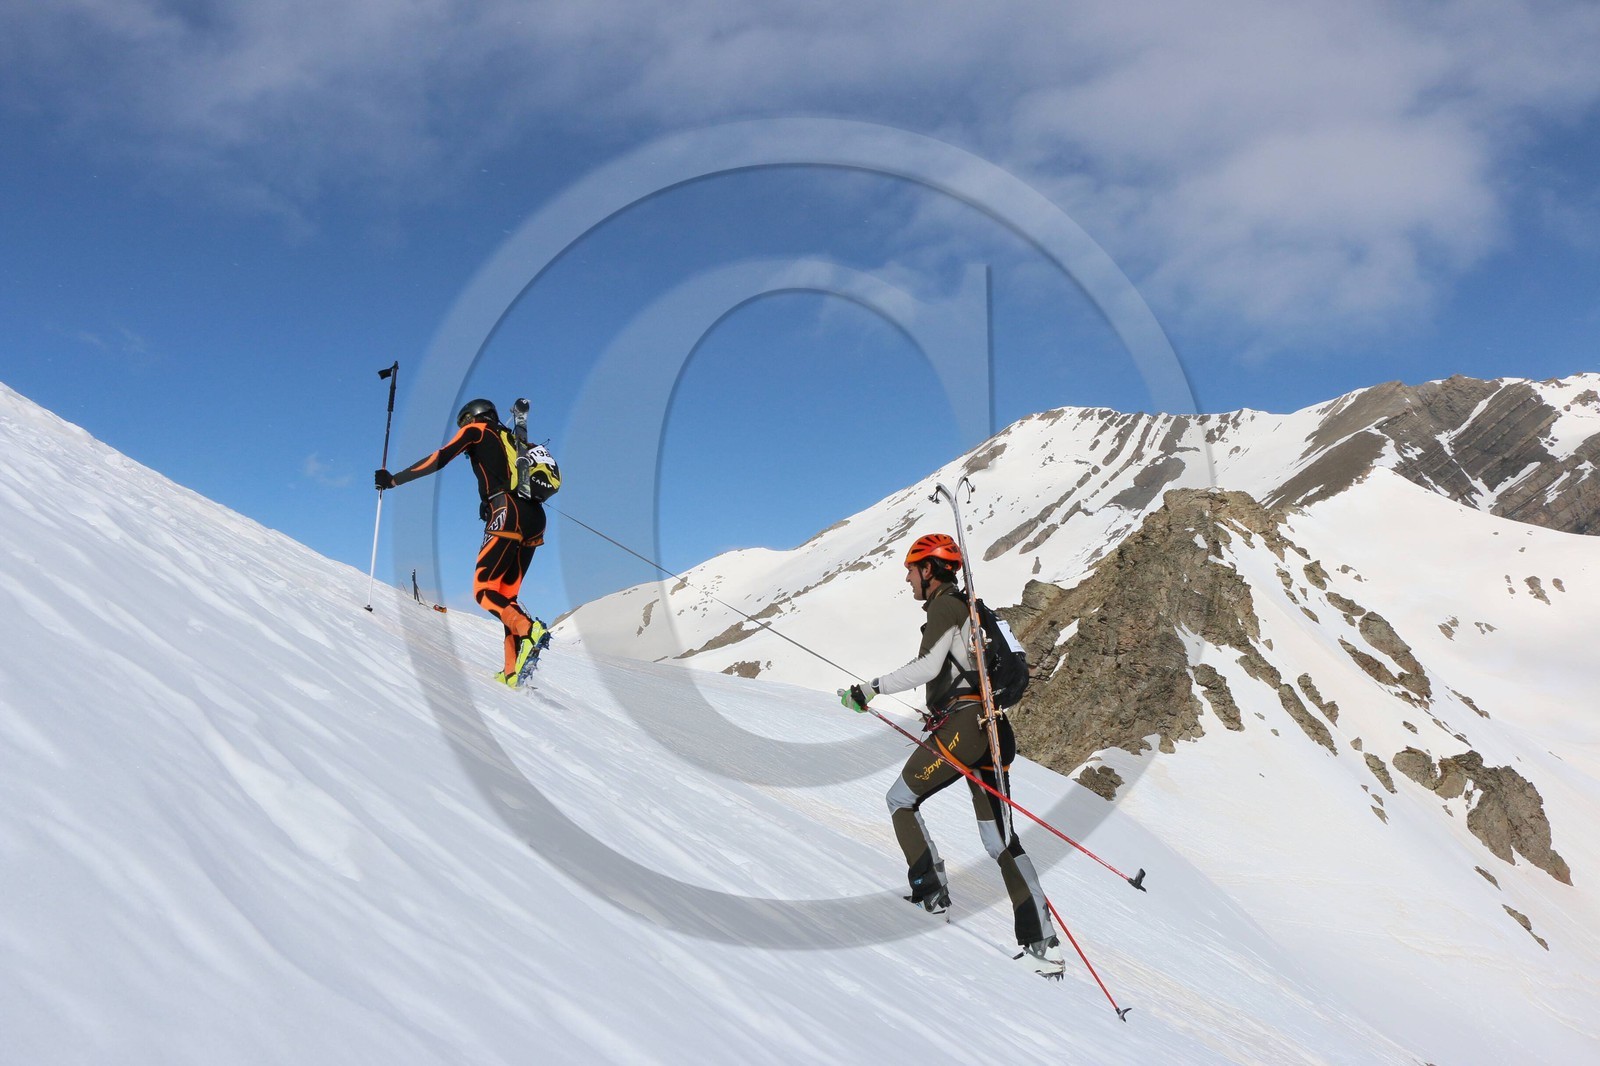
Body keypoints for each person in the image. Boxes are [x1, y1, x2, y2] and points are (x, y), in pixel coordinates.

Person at [840, 533, 1064, 978]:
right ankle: (1041, 940)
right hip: (992, 729)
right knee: (1000, 841)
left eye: (911, 569)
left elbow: (927, 666)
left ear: (929, 570)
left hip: (963, 727)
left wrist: (869, 690)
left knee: (899, 799)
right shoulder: (972, 611)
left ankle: (930, 894)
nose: (907, 578)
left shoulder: (946, 606)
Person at [375, 398, 547, 685]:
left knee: (483, 590)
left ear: (472, 417)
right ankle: (511, 671)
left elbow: (441, 457)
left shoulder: (477, 430)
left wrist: (394, 480)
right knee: (506, 598)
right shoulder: (512, 439)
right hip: (535, 517)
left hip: (507, 511)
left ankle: (529, 630)